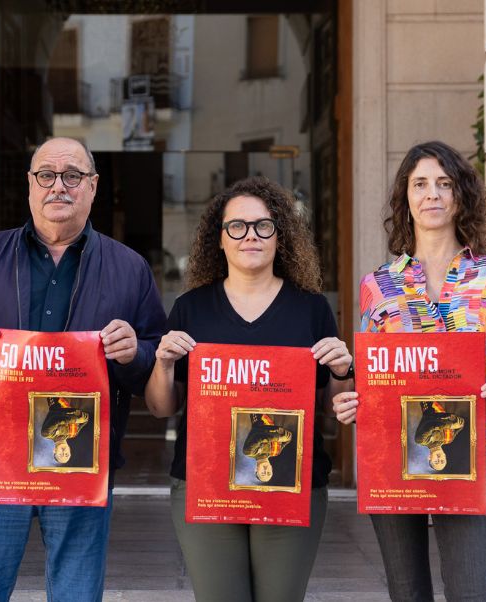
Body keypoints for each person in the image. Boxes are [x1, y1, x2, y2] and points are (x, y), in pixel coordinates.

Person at [0, 137, 165, 601]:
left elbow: (154, 368)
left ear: (92, 187)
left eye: (72, 175)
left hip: (82, 460)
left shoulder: (129, 268)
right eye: (47, 175)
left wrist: (136, 352)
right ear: (30, 186)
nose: (59, 186)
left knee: (76, 594)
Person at [332, 140, 486, 601]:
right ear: (405, 197)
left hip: (468, 458)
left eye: (444, 183)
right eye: (420, 184)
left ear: (461, 195)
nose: (432, 195)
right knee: (406, 592)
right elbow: (371, 376)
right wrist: (352, 399)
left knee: (468, 592)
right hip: (392, 454)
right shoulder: (378, 284)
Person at [145, 176, 353, 602]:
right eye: (236, 227)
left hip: (291, 483)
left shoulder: (311, 309)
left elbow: (334, 409)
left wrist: (342, 370)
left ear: (282, 236)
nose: (250, 236)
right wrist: (163, 363)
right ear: (218, 240)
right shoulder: (191, 308)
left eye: (263, 226)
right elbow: (162, 408)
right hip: (205, 483)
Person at [414, 401, 465, 472]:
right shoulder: (449, 439)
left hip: (431, 401)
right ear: (445, 456)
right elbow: (461, 424)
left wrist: (451, 425)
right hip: (451, 402)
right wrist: (457, 421)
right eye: (442, 461)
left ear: (429, 457)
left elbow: (430, 424)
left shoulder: (421, 440)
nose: (439, 458)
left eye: (436, 461)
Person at [242, 413, 293, 483]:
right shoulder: (276, 452)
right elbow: (288, 439)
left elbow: (258, 437)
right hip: (279, 416)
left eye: (263, 473)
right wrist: (287, 436)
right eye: (268, 472)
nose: (265, 470)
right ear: (271, 468)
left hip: (261, 416)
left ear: (256, 469)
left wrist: (278, 438)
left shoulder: (249, 452)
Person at [40, 396, 90, 464]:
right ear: (69, 449)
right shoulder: (73, 434)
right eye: (67, 454)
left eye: (60, 454)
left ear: (54, 450)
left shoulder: (46, 434)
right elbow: (85, 420)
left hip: (58, 399)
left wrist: (76, 420)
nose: (64, 451)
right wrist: (82, 417)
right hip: (76, 399)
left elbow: (56, 419)